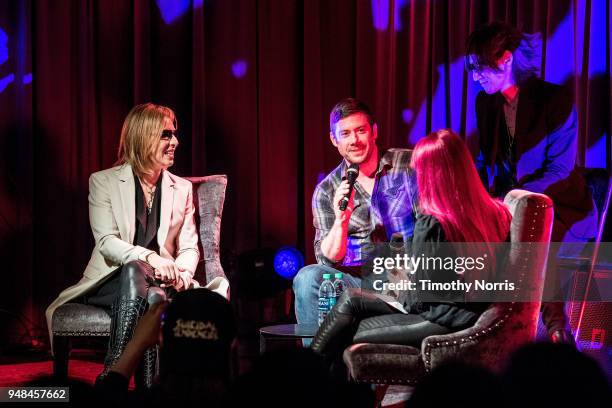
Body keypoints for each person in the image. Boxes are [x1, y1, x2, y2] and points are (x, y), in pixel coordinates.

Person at [310, 129, 512, 374]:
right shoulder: (497, 212)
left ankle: (306, 380)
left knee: (344, 328)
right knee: (353, 300)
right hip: (472, 313)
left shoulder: (433, 224)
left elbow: (421, 298)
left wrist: (392, 289)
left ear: (429, 175)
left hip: (443, 318)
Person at [45, 103, 213, 387]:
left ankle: (114, 377)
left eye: (175, 134)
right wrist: (150, 257)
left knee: (153, 298)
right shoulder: (103, 182)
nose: (175, 141)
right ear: (144, 137)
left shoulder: (181, 188)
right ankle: (132, 381)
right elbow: (107, 242)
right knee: (138, 271)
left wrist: (182, 274)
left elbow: (189, 248)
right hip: (109, 281)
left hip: (162, 283)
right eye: (166, 134)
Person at [466, 22, 598, 344]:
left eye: (480, 68)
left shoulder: (554, 98)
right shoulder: (486, 103)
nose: (475, 78)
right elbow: (486, 162)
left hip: (561, 204)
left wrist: (512, 199)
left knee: (534, 241)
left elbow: (560, 169)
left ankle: (553, 328)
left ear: (506, 59)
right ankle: (481, 328)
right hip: (510, 206)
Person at [292, 98, 418, 325]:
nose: (355, 140)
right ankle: (314, 360)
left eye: (361, 131)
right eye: (346, 134)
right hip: (360, 283)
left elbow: (434, 225)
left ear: (374, 131)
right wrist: (342, 219)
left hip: (410, 277)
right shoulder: (327, 190)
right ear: (334, 140)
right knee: (308, 277)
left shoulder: (408, 164)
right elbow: (326, 260)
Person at [96, 288, 237, 406]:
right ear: (233, 343)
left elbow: (104, 401)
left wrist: (136, 343)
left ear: (160, 338)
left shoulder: (142, 404)